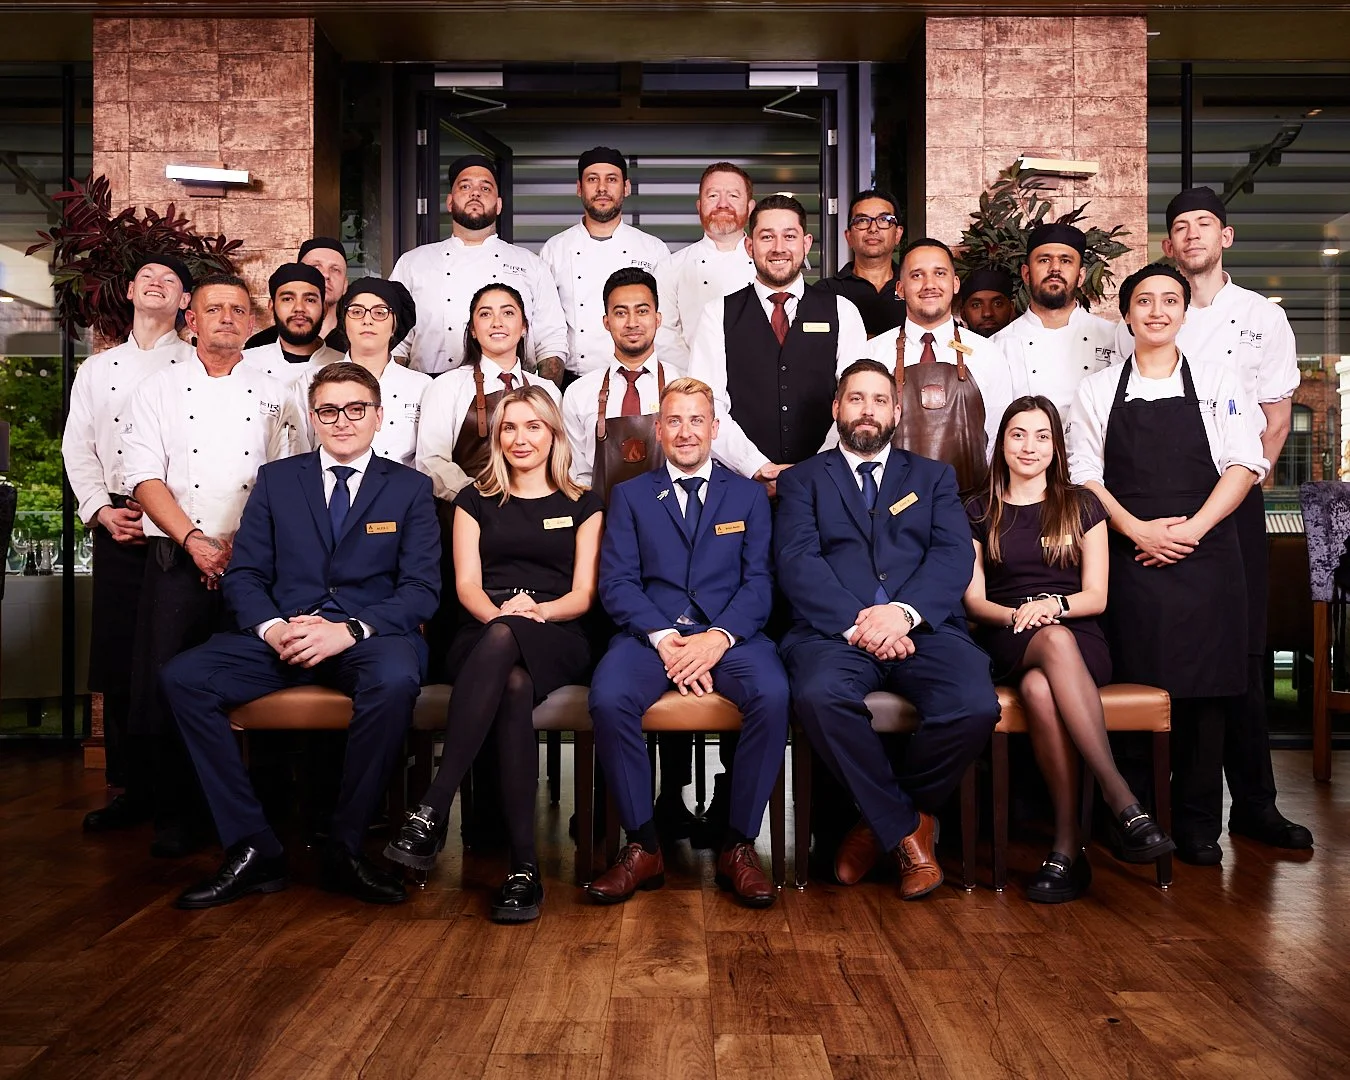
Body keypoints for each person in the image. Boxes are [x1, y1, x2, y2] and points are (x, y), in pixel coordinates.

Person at [162, 363, 440, 909]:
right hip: (285, 633)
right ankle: (253, 847)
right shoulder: (277, 480)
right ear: (313, 418)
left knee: (395, 681)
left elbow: (421, 589)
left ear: (378, 417)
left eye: (355, 409)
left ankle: (346, 846)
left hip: (368, 637)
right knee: (184, 677)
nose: (342, 421)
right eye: (328, 411)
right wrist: (273, 628)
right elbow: (244, 575)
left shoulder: (409, 488)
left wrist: (350, 630)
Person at [776, 360, 999, 899]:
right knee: (818, 696)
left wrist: (903, 613)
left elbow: (951, 557)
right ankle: (907, 828)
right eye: (856, 399)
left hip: (925, 628)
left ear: (897, 411)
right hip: (835, 634)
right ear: (837, 409)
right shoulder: (803, 479)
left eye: (879, 400)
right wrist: (860, 622)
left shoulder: (933, 477)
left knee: (975, 704)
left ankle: (878, 823)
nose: (867, 410)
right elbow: (797, 560)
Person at [1067, 263, 1266, 866]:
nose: (1156, 311)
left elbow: (1244, 463)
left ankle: (1202, 824)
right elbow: (1084, 476)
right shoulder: (1099, 389)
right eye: (1144, 301)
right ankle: (1137, 819)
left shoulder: (1218, 377)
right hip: (1129, 557)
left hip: (1208, 558)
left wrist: (1193, 530)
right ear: (1126, 315)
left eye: (1169, 300)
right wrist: (1136, 531)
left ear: (1184, 311)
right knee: (1131, 683)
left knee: (1206, 696)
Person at [386, 386, 603, 923]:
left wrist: (536, 614)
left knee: (514, 654)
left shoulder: (584, 503)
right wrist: (503, 618)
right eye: (509, 427)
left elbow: (582, 595)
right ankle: (524, 869)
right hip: (481, 630)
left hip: (558, 631)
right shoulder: (473, 501)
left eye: (534, 426)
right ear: (497, 437)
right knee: (510, 682)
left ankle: (433, 806)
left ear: (553, 434)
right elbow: (467, 588)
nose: (521, 438)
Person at [963, 396, 1174, 902]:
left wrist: (1051, 606)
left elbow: (1096, 596)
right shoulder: (976, 508)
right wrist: (1021, 615)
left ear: (1057, 446)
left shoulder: (1082, 504)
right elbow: (973, 601)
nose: (1029, 446)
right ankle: (1120, 797)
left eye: (1041, 436)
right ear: (1001, 443)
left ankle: (1066, 850)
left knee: (1040, 686)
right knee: (1043, 648)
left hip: (1079, 635)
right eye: (1018, 434)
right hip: (1007, 632)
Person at [586, 377, 787, 907]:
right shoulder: (629, 496)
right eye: (674, 420)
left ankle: (738, 845)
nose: (685, 431)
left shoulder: (747, 494)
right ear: (658, 428)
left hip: (732, 638)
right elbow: (618, 582)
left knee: (773, 694)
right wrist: (664, 637)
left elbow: (760, 582)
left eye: (696, 420)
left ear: (715, 428)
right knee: (608, 697)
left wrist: (718, 638)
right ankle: (644, 844)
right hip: (652, 636)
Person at [1151, 186, 1311, 852]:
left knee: (1244, 656)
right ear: (1167, 244)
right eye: (1181, 227)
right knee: (1178, 653)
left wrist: (1243, 482)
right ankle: (1178, 810)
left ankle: (1255, 804)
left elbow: (1276, 416)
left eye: (1204, 225)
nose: (1192, 236)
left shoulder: (1261, 317)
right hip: (1165, 505)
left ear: (1227, 237)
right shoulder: (1157, 308)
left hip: (1235, 502)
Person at [121, 273, 294, 857]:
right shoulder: (156, 390)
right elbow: (144, 477)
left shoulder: (275, 391)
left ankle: (260, 815)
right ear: (189, 320)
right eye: (213, 309)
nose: (227, 318)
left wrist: (239, 551)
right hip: (177, 556)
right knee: (171, 687)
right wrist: (195, 540)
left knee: (262, 688)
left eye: (238, 310)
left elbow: (285, 480)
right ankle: (177, 816)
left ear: (251, 322)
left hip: (255, 562)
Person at [561, 267, 700, 839]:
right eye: (621, 311)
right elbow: (573, 475)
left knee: (682, 664)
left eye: (642, 310)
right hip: (609, 539)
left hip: (678, 543)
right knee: (612, 665)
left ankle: (671, 799)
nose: (633, 321)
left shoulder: (686, 383)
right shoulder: (578, 393)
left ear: (658, 318)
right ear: (605, 322)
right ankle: (609, 800)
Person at [64, 253, 195, 832]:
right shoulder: (97, 369)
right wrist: (97, 509)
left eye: (170, 281)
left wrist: (167, 517)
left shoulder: (193, 365)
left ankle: (178, 791)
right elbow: (78, 445)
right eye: (148, 278)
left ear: (184, 301)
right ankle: (129, 789)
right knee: (118, 660)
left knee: (169, 656)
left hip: (174, 526)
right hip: (116, 522)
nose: (158, 285)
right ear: (132, 292)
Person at [688, 193, 868, 493]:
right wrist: (756, 466)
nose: (779, 248)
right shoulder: (716, 314)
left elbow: (857, 401)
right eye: (767, 237)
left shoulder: (842, 312)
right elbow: (706, 407)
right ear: (749, 246)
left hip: (828, 484)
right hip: (740, 485)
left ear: (806, 243)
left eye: (789, 236)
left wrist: (818, 467)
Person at [867, 239, 1024, 495]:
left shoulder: (987, 354)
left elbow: (998, 438)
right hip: (888, 507)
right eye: (917, 275)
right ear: (900, 288)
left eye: (939, 273)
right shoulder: (873, 354)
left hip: (971, 506)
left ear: (955, 283)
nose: (929, 285)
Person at [391, 155, 568, 380]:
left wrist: (544, 395)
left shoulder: (530, 264)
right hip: (427, 385)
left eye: (486, 188)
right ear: (449, 201)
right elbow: (394, 341)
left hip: (509, 390)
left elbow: (551, 342)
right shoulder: (413, 263)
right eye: (465, 186)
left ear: (499, 204)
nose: (475, 193)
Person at [415, 283, 563, 501]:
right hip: (466, 514)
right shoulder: (447, 386)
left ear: (524, 327)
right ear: (473, 330)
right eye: (485, 314)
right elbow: (432, 462)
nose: (497, 323)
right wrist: (480, 502)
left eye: (508, 313)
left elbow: (559, 458)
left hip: (538, 512)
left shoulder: (548, 390)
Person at [540, 147, 671, 378]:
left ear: (626, 188)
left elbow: (665, 324)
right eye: (592, 179)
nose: (602, 188)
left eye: (611, 179)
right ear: (579, 188)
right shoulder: (555, 249)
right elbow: (546, 325)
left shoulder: (653, 249)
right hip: (572, 379)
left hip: (637, 376)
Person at [292, 277, 430, 468]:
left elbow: (428, 461)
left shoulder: (422, 386)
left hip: (403, 494)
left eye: (380, 313)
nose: (367, 320)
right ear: (344, 322)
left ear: (394, 326)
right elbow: (298, 454)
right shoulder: (311, 380)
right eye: (356, 312)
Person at [993, 224, 1119, 420]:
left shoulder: (1113, 338)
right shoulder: (998, 346)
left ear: (1081, 276)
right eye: (1044, 260)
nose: (1055, 268)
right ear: (1026, 274)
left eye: (1066, 260)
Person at [652, 162, 757, 371]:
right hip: (693, 385)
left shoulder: (768, 265)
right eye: (713, 196)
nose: (722, 204)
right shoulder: (671, 267)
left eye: (733, 196)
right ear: (699, 206)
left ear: (750, 206)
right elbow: (662, 333)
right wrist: (697, 375)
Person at [240, 262, 344, 387]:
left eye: (310, 300)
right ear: (272, 306)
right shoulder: (245, 362)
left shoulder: (344, 365)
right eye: (287, 299)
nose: (299, 308)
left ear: (324, 309)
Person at [244, 237, 351, 353]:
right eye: (315, 267)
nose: (325, 275)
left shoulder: (356, 343)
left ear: (345, 285)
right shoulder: (259, 344)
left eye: (335, 270)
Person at [822, 189, 906, 337]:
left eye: (884, 220)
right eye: (862, 221)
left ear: (898, 234)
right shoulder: (825, 292)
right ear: (849, 237)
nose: (873, 228)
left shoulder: (915, 288)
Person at [957, 267, 1017, 337]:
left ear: (1011, 309)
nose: (987, 313)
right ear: (963, 313)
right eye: (976, 305)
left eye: (997, 304)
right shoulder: (949, 346)